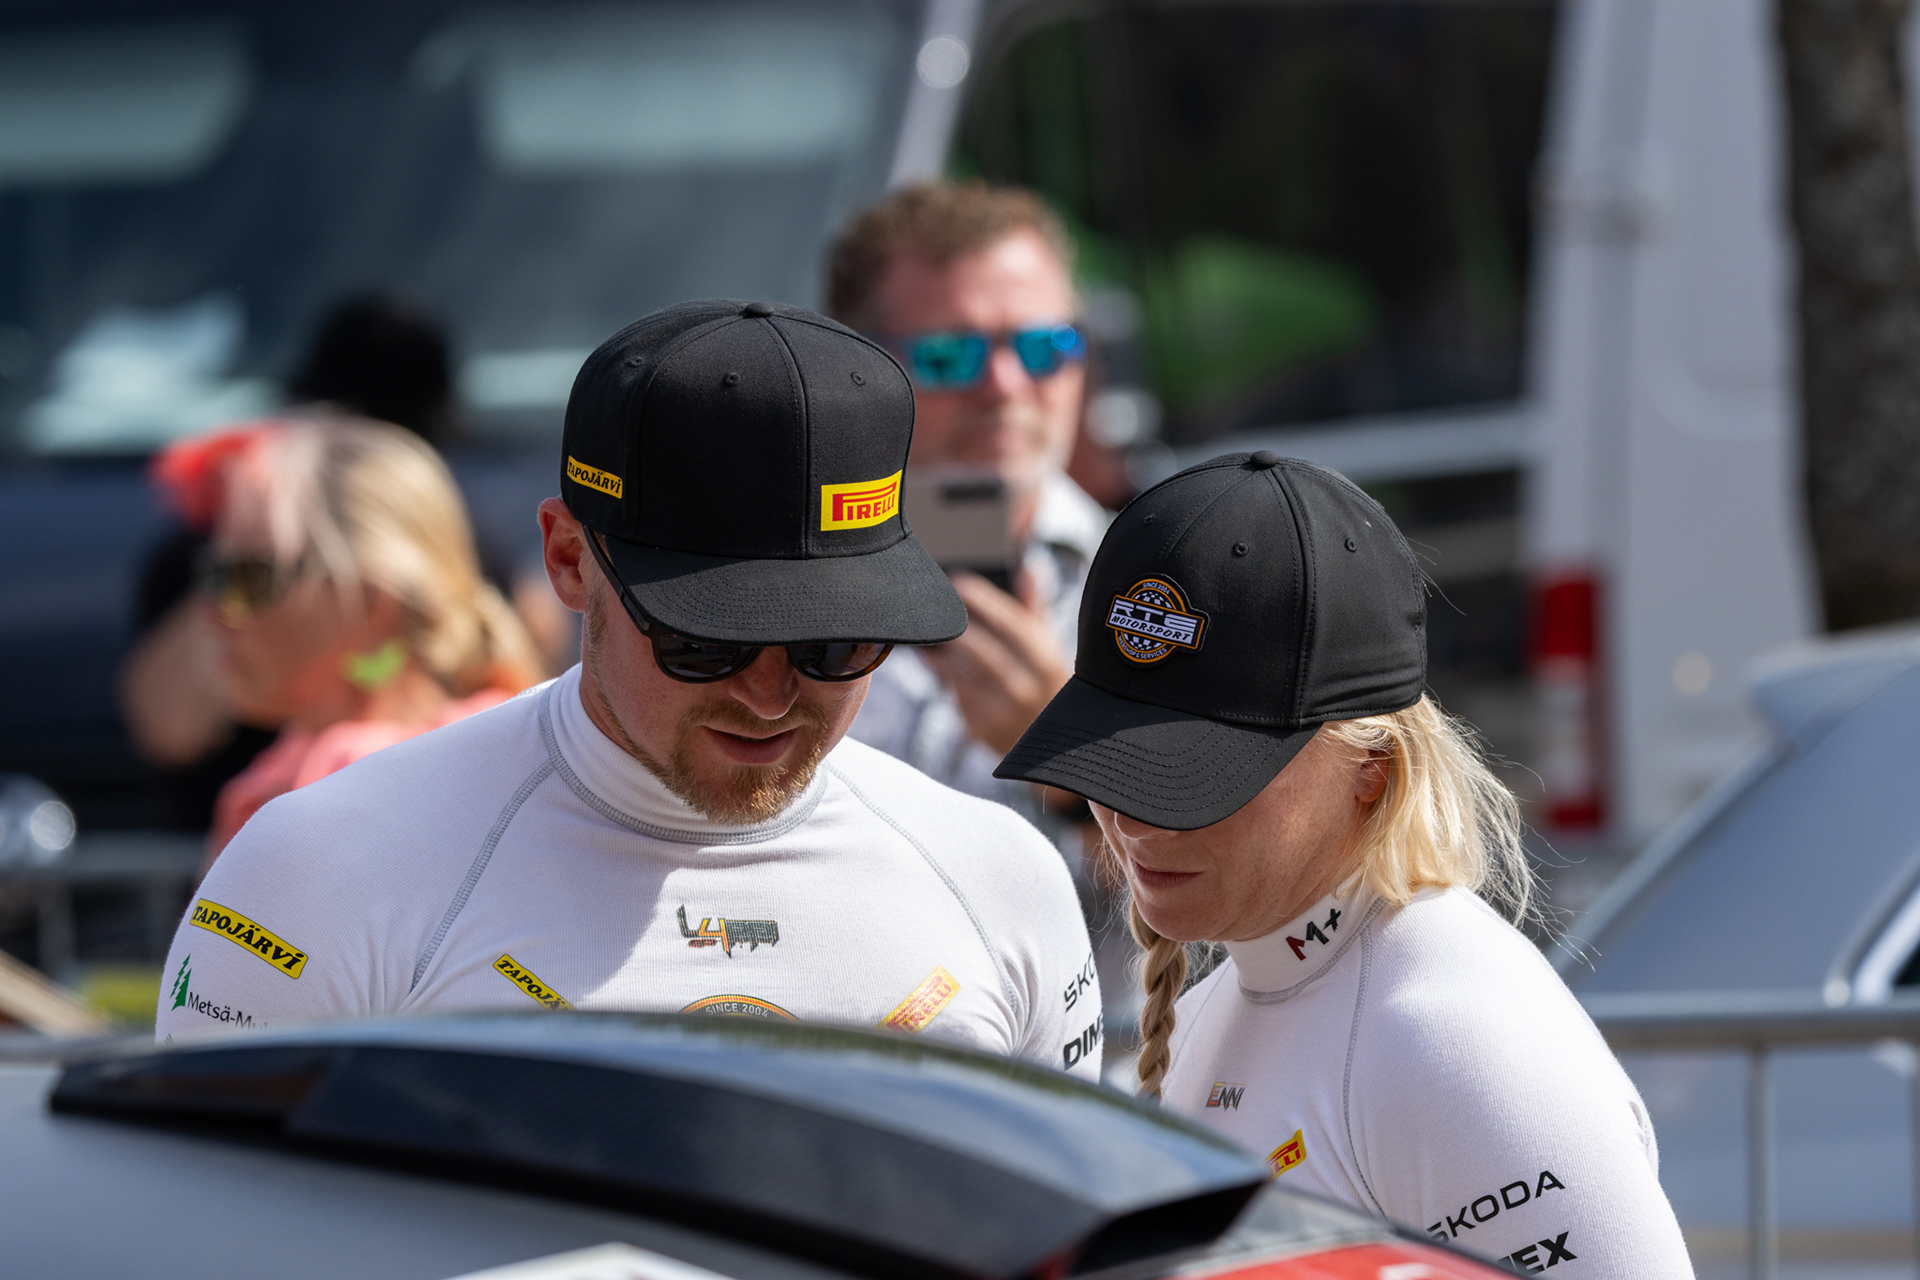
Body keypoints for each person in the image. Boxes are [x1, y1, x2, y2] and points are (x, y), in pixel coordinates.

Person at [155, 301, 1104, 1081]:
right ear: (569, 560)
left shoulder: (1003, 880)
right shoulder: (315, 875)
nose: (771, 696)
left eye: (835, 645)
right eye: (705, 641)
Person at [994, 452, 1692, 1277]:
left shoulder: (1452, 1040)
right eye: (1110, 759)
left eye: (1195, 776)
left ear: (1373, 765)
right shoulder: (1233, 1006)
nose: (1132, 818)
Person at [826, 181, 1108, 819]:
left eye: (1044, 347)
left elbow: (1228, 877)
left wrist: (1071, 768)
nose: (1005, 384)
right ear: (852, 367)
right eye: (950, 355)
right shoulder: (771, 597)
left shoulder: (1168, 586)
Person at [172, 418, 545, 864]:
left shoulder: (375, 782)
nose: (213, 615)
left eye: (248, 578)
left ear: (369, 606)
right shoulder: (505, 754)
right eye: (214, 575)